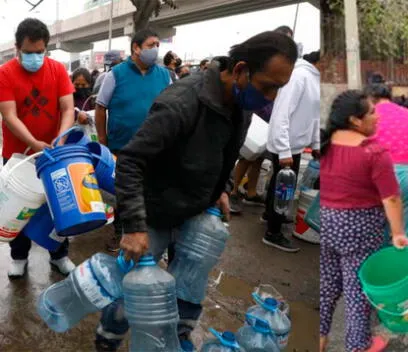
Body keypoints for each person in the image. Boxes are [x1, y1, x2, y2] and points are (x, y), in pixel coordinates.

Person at [93, 31, 298, 352]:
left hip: (196, 213)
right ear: (241, 69)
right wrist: (133, 226)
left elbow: (226, 154)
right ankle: (107, 341)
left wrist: (222, 189)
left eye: (278, 89)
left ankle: (177, 341)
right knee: (128, 291)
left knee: (187, 292)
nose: (271, 97)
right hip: (155, 213)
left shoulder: (240, 103)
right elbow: (131, 162)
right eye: (268, 86)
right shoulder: (181, 102)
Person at [319, 90, 408, 352]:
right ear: (355, 121)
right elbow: (391, 199)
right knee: (357, 293)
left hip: (326, 222)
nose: (377, 116)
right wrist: (398, 233)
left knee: (327, 287)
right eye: (371, 112)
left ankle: (321, 340)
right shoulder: (373, 152)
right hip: (359, 228)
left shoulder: (324, 144)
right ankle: (357, 346)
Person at [0, 18, 77, 278]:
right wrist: (33, 143)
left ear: (46, 48)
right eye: (29, 52)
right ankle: (19, 256)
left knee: (58, 206)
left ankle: (59, 254)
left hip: (53, 154)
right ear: (17, 48)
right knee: (18, 208)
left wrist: (61, 138)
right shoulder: (5, 73)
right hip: (17, 156)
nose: (35, 57)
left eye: (39, 52)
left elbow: (67, 108)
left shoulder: (57, 70)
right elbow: (9, 116)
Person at [95, 28, 171, 252]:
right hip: (123, 146)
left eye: (158, 44)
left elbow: (172, 108)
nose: (156, 49)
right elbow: (100, 108)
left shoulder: (164, 75)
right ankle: (120, 232)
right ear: (136, 48)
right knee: (123, 192)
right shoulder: (116, 74)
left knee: (150, 190)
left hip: (155, 146)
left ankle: (146, 233)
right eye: (151, 45)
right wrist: (103, 141)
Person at [263, 50, 321, 253]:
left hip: (295, 144)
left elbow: (314, 116)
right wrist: (284, 149)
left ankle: (272, 216)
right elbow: (281, 114)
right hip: (286, 145)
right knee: (282, 188)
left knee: (280, 187)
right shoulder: (299, 76)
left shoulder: (314, 79)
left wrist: (315, 144)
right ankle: (273, 232)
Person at [365, 83, 408, 243]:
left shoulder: (369, 116)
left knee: (379, 231)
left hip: (381, 175)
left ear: (371, 99)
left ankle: (383, 265)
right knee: (406, 232)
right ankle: (405, 265)